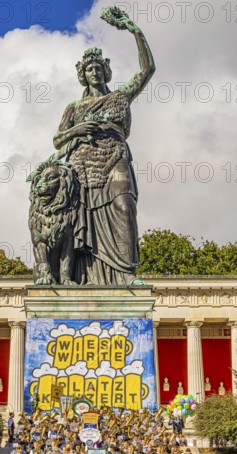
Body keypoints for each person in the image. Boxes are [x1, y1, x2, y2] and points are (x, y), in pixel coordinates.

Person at [53, 9, 155, 285]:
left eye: (98, 68)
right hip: (82, 164)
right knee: (82, 221)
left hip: (115, 155)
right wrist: (78, 130)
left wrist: (134, 30)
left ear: (106, 71)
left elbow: (147, 70)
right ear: (83, 76)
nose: (94, 72)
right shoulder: (74, 108)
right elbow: (57, 139)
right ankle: (85, 277)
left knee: (124, 206)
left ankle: (125, 274)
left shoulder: (121, 96)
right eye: (89, 69)